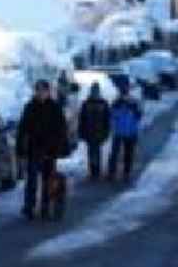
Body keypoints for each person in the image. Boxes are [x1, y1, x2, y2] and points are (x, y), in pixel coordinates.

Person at [17, 80, 68, 220]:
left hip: (50, 149)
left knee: (48, 180)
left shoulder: (55, 108)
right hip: (34, 148)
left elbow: (62, 129)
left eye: (42, 90)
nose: (40, 93)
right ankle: (29, 206)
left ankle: (46, 206)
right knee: (32, 179)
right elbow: (22, 129)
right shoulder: (30, 107)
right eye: (38, 90)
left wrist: (60, 147)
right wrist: (20, 148)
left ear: (48, 91)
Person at [108, 83, 142, 182]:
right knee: (123, 154)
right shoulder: (121, 102)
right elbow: (138, 116)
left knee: (123, 154)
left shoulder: (126, 102)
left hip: (125, 131)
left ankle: (119, 173)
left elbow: (138, 116)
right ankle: (118, 173)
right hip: (126, 132)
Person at [78, 83, 110, 180]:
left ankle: (96, 171)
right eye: (93, 90)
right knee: (91, 151)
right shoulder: (86, 103)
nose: (94, 92)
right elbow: (82, 119)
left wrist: (106, 132)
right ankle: (92, 171)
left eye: (96, 90)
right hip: (89, 131)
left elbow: (107, 119)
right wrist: (81, 131)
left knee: (96, 151)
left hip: (99, 131)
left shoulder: (103, 103)